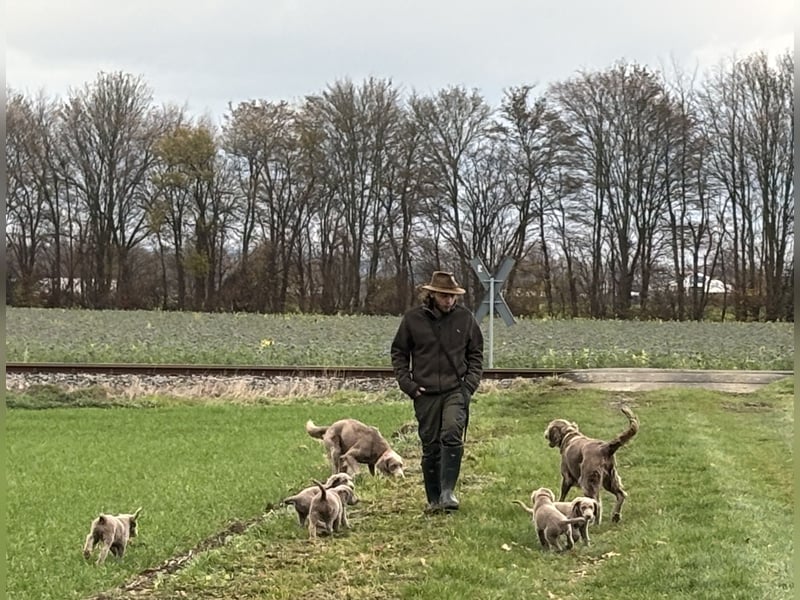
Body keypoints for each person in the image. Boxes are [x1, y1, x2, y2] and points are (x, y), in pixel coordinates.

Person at [390, 271, 484, 512]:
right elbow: (399, 353)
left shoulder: (466, 319)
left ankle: (448, 493)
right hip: (425, 392)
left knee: (452, 433)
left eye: (452, 296)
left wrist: (469, 385)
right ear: (432, 294)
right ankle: (433, 500)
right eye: (444, 296)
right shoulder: (413, 319)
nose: (449, 301)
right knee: (430, 446)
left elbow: (476, 354)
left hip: (456, 390)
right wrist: (408, 385)